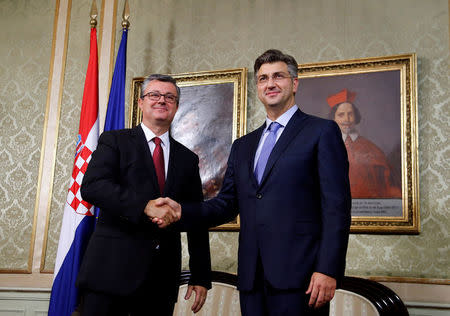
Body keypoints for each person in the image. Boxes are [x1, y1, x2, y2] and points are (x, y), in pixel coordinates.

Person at [152, 49, 352, 315]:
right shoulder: (243, 146)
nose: (270, 83)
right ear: (257, 87)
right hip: (251, 278)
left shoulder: (321, 132)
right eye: (263, 78)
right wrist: (181, 211)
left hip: (301, 279)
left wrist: (328, 269)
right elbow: (226, 204)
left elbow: (336, 207)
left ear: (294, 83)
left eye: (278, 76)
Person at [76, 74, 211, 316]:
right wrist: (144, 206)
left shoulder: (187, 159)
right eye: (154, 95)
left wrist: (200, 274)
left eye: (170, 97)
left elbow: (196, 217)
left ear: (177, 106)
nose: (162, 101)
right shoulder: (114, 141)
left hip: (160, 281)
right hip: (110, 275)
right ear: (141, 103)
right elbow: (93, 186)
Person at [327, 88, 401, 198]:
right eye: (341, 115)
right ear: (333, 118)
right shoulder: (325, 146)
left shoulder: (372, 149)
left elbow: (386, 184)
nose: (346, 119)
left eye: (350, 114)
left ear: (356, 117)